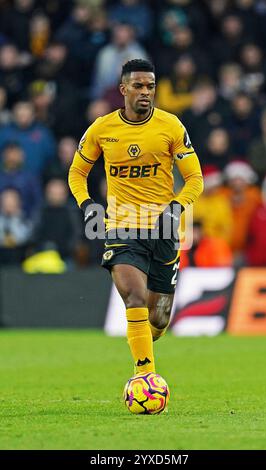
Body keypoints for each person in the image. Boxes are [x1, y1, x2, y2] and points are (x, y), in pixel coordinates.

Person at [68, 59, 203, 376]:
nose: (146, 92)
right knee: (134, 296)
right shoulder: (102, 128)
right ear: (123, 89)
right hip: (121, 226)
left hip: (163, 230)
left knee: (157, 321)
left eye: (151, 86)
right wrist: (87, 204)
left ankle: (148, 341)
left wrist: (176, 206)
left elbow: (195, 178)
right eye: (139, 86)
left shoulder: (170, 126)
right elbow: (77, 172)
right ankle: (145, 375)